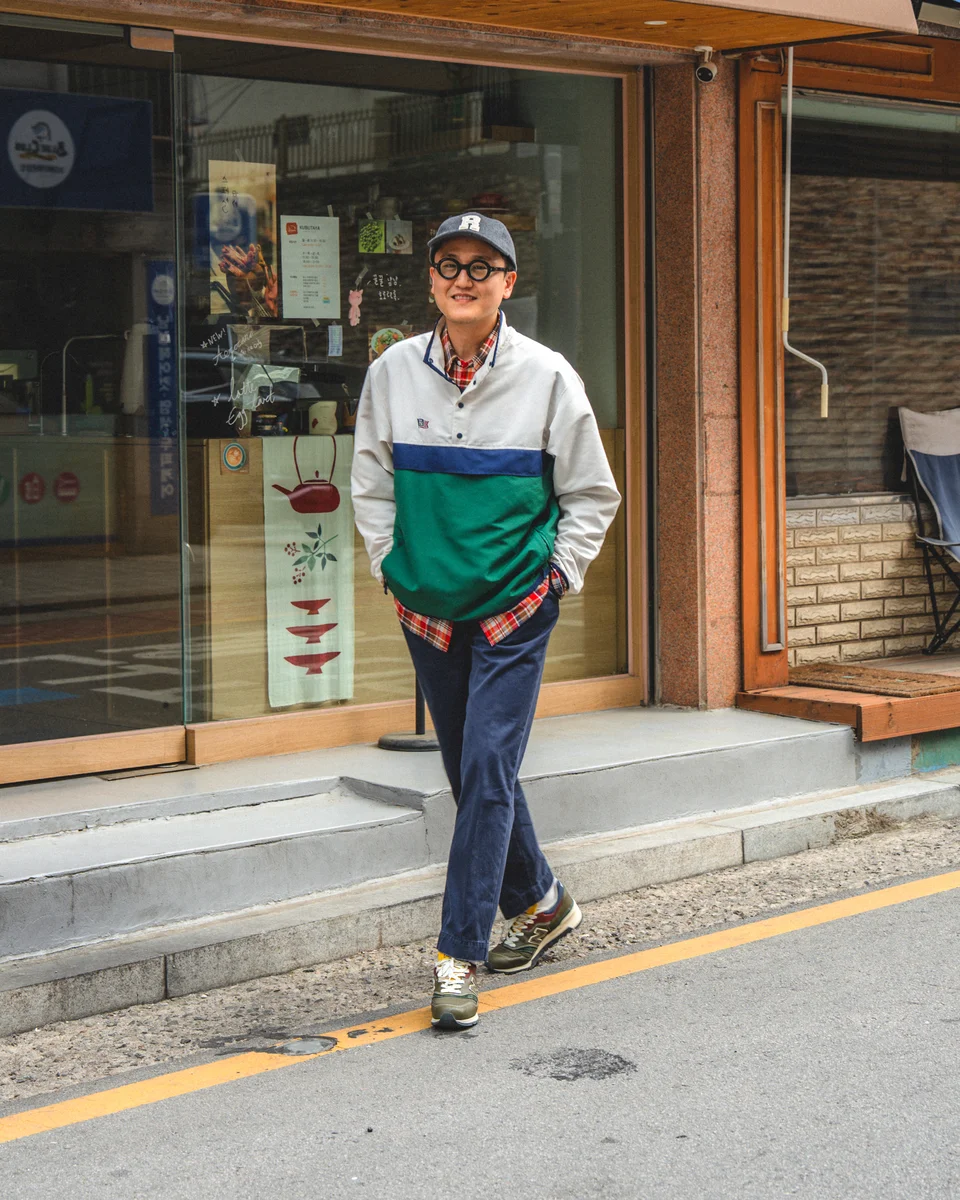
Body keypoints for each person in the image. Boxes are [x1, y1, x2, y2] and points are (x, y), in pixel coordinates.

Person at [351, 212, 621, 1030]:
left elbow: (591, 493)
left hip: (515, 609)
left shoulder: (547, 376)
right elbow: (371, 481)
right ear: (431, 280)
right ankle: (542, 902)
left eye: (481, 266)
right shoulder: (392, 371)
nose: (462, 279)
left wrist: (554, 579)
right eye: (449, 264)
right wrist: (391, 568)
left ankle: (457, 956)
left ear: (508, 282)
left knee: (487, 769)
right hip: (427, 607)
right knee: (472, 773)